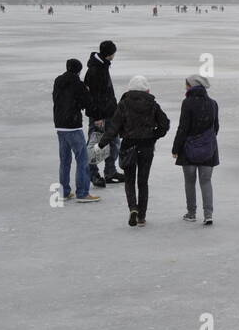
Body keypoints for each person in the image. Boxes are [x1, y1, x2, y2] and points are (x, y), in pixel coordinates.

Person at [98, 75, 170, 227]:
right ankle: (142, 216)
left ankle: (133, 208)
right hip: (146, 147)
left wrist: (101, 144)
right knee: (143, 182)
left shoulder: (124, 104)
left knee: (130, 181)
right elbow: (165, 124)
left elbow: (113, 127)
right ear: (147, 89)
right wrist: (153, 136)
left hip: (129, 146)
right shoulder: (152, 104)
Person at [172, 75, 219, 226]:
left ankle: (191, 213)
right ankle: (208, 214)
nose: (185, 87)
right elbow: (215, 127)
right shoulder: (213, 104)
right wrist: (205, 140)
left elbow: (183, 128)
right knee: (206, 181)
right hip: (208, 149)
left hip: (188, 149)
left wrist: (176, 148)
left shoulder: (187, 103)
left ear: (191, 86)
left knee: (190, 182)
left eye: (186, 85)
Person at [53, 58, 99, 203]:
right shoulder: (78, 84)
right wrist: (87, 92)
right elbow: (86, 103)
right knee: (82, 159)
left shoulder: (58, 81)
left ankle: (64, 192)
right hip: (73, 125)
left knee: (65, 160)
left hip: (60, 125)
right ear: (79, 70)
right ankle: (83, 192)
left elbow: (58, 99)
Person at [84, 40, 124, 187]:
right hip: (99, 116)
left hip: (109, 112)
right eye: (113, 52)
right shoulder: (96, 70)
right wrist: (97, 117)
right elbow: (93, 96)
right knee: (95, 144)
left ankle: (110, 172)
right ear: (109, 54)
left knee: (114, 142)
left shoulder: (102, 66)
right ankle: (93, 173)